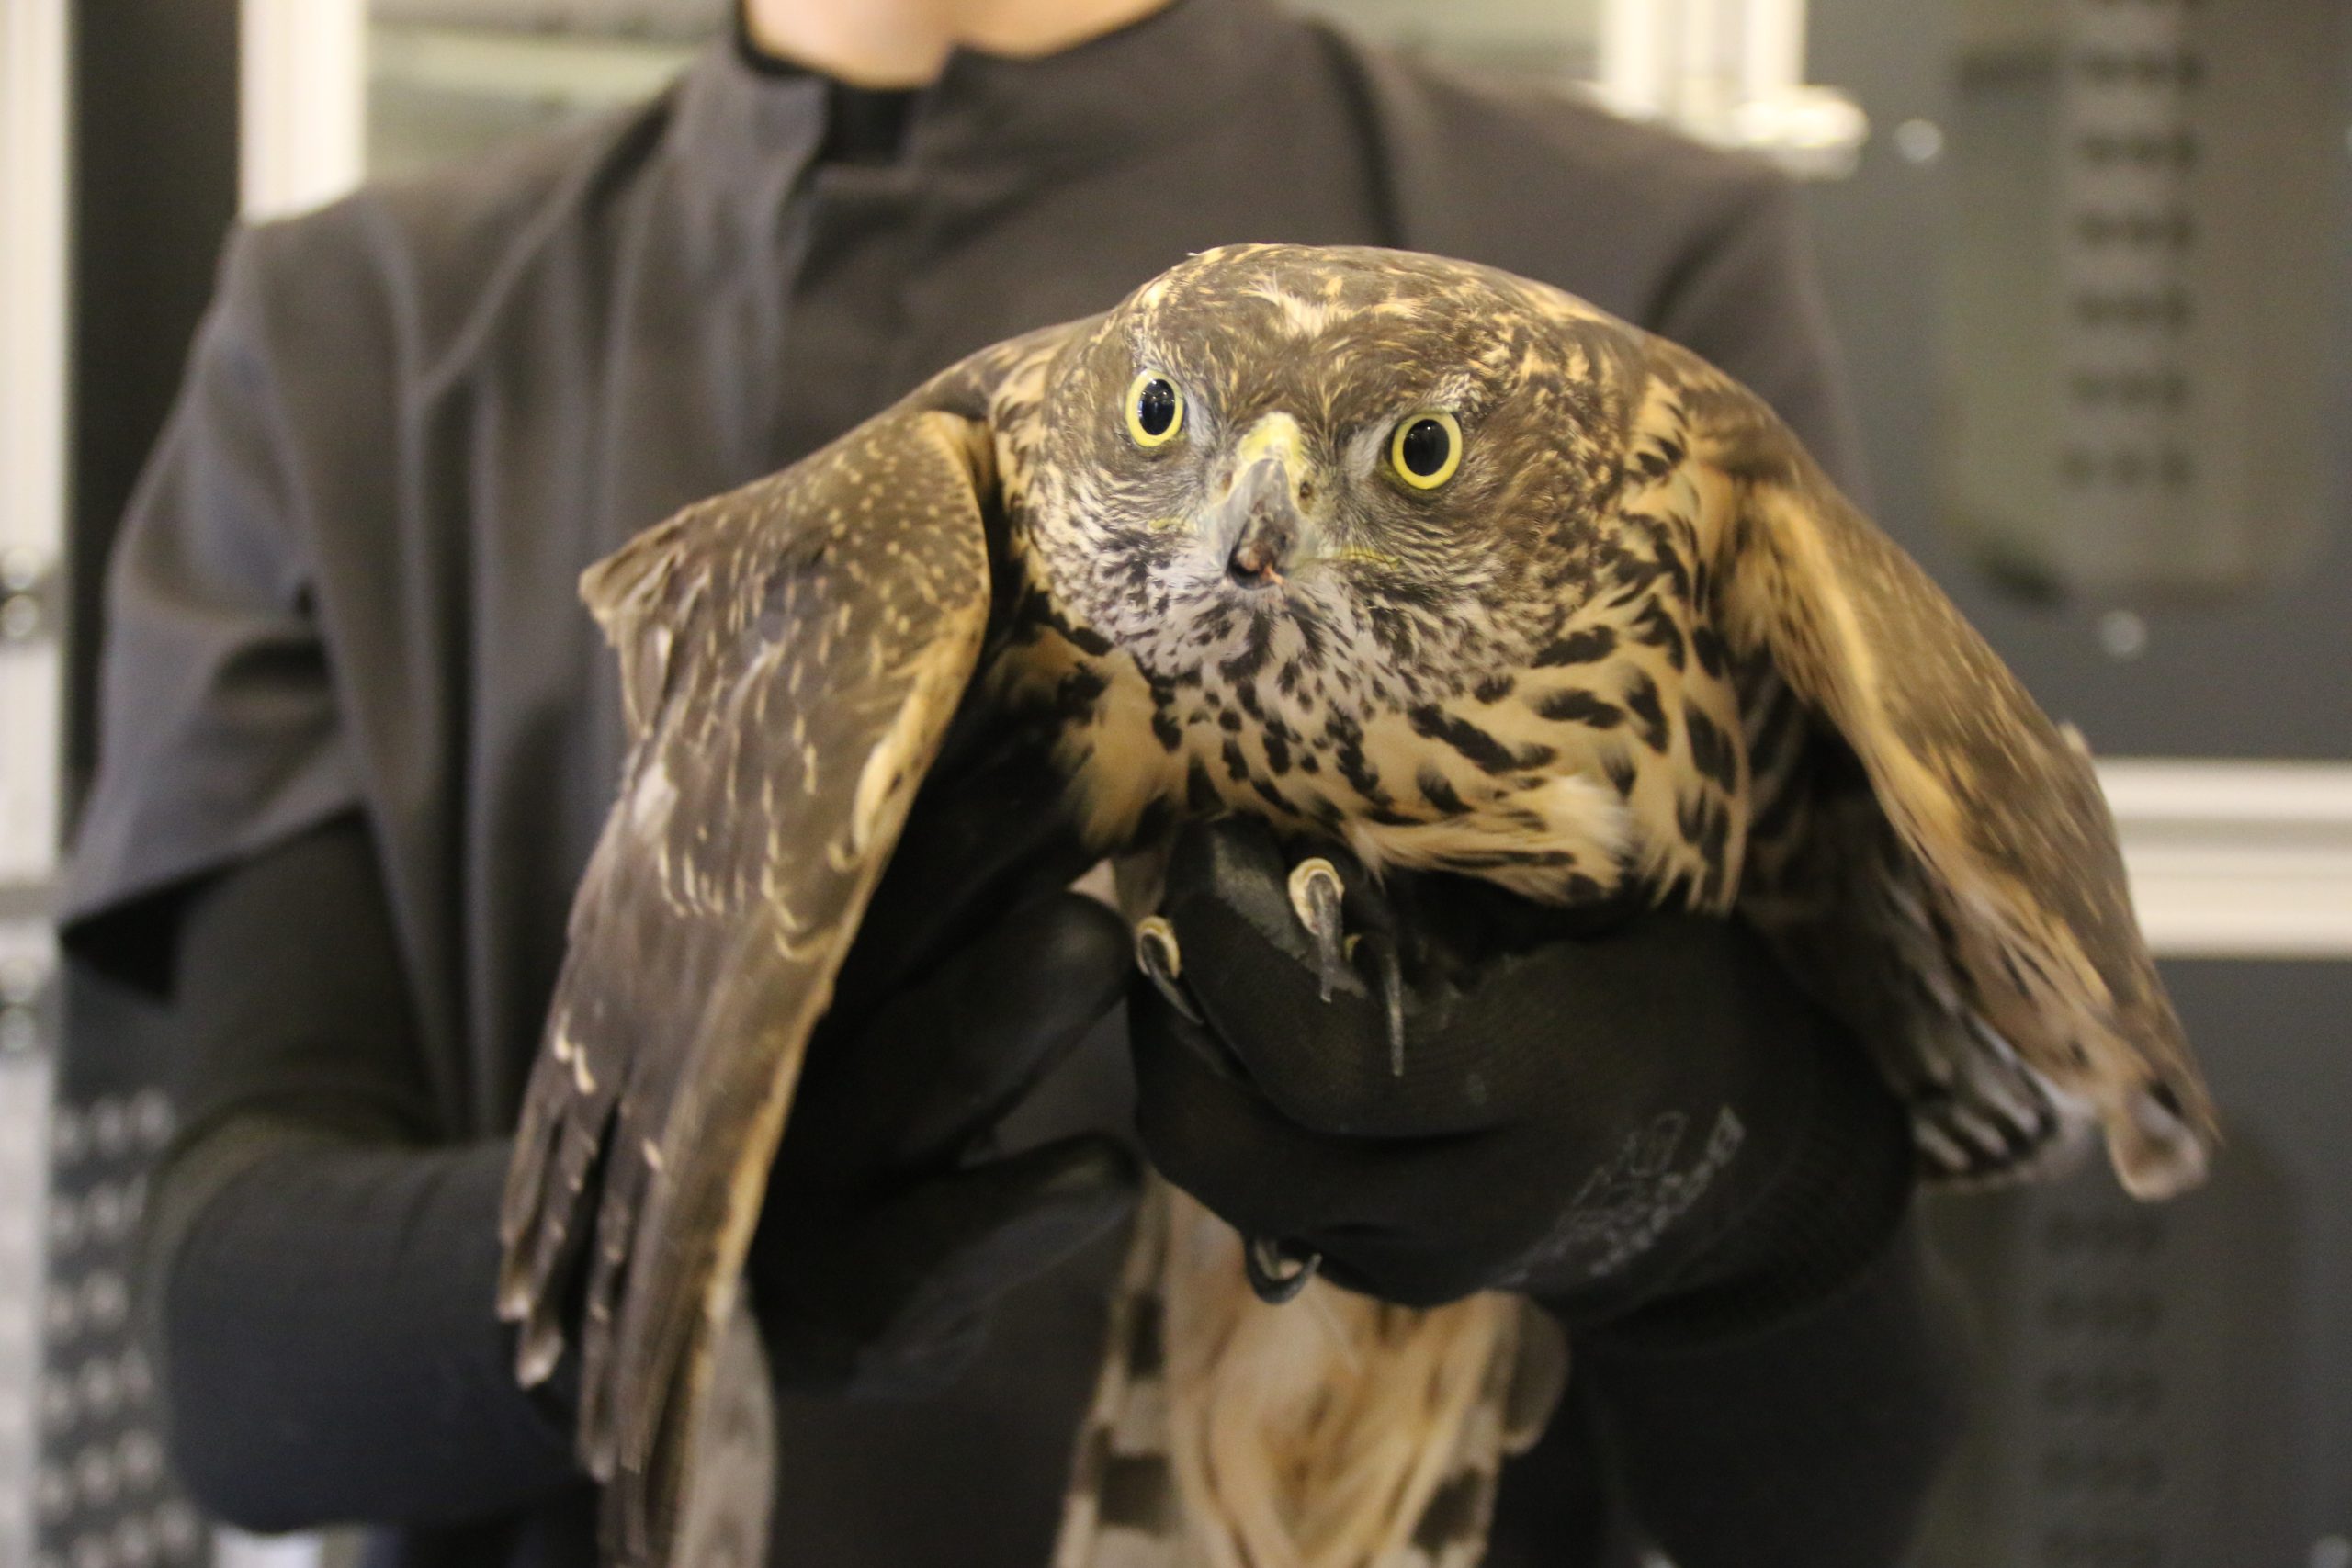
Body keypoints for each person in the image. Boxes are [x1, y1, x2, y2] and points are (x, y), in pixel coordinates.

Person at [59, 1, 1967, 1564]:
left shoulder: (1626, 292)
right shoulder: (356, 330)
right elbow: (235, 1353)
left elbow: (1838, 1479)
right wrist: (681, 1236)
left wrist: (1713, 1171)